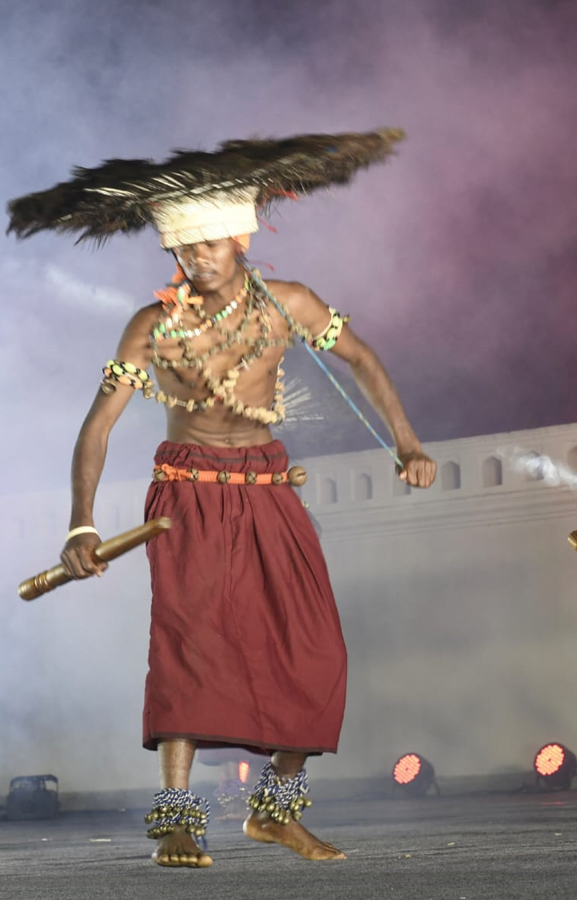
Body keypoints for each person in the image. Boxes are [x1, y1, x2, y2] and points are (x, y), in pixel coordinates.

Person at [8, 129, 436, 866]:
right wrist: (80, 523)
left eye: (207, 244)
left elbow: (363, 359)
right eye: (182, 249)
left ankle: (275, 812)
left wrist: (407, 443)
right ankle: (176, 820)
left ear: (240, 235)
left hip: (270, 492)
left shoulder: (288, 305)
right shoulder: (154, 327)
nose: (194, 258)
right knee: (190, 650)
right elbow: (96, 427)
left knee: (316, 651)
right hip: (188, 498)